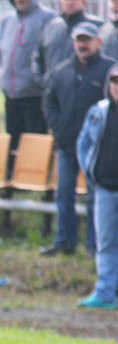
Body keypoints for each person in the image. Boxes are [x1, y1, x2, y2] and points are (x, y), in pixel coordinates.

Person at [41, 22, 115, 257]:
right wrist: (58, 126)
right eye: (79, 40)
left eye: (87, 40)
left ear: (98, 42)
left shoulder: (109, 71)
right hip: (66, 144)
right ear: (73, 42)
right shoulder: (61, 70)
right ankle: (64, 241)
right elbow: (49, 101)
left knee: (95, 198)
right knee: (64, 194)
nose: (82, 44)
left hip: (98, 149)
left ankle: (94, 246)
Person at [0, 0, 55, 176]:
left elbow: (49, 53)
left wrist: (38, 80)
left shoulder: (47, 18)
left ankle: (35, 178)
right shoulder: (6, 20)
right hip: (10, 93)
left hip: (34, 95)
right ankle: (12, 178)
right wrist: (1, 74)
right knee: (12, 139)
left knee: (35, 141)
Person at [77, 64, 118, 310]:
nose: (117, 87)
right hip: (103, 189)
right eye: (114, 82)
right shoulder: (98, 112)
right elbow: (83, 144)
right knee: (104, 242)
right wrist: (90, 173)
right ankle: (104, 293)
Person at [33, 0, 102, 86]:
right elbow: (37, 57)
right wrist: (43, 81)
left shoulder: (96, 27)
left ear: (84, 2)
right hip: (52, 89)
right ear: (60, 2)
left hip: (84, 88)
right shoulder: (51, 26)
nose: (69, 3)